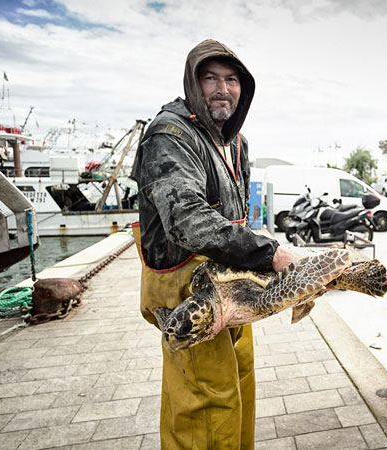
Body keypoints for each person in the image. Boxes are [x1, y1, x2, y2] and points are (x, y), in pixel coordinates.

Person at [132, 39, 300, 449]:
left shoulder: (236, 141)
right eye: (210, 79)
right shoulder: (170, 134)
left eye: (232, 80)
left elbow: (235, 214)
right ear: (193, 83)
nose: (223, 89)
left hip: (232, 293)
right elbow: (186, 217)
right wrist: (270, 253)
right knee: (206, 407)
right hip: (189, 296)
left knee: (239, 391)